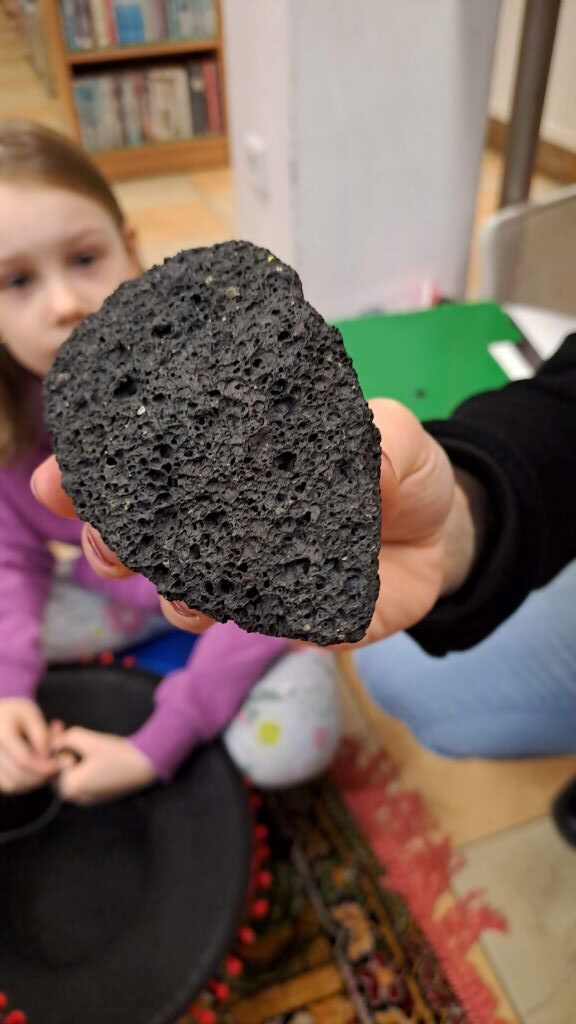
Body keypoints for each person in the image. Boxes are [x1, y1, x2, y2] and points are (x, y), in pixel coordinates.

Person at [0, 119, 341, 805]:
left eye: (84, 259)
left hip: (244, 606)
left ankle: (201, 689)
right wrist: (9, 687)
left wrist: (154, 745)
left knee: (292, 737)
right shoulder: (13, 421)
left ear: (130, 249)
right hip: (128, 598)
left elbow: (271, 583)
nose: (64, 304)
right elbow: (14, 561)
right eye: (17, 280)